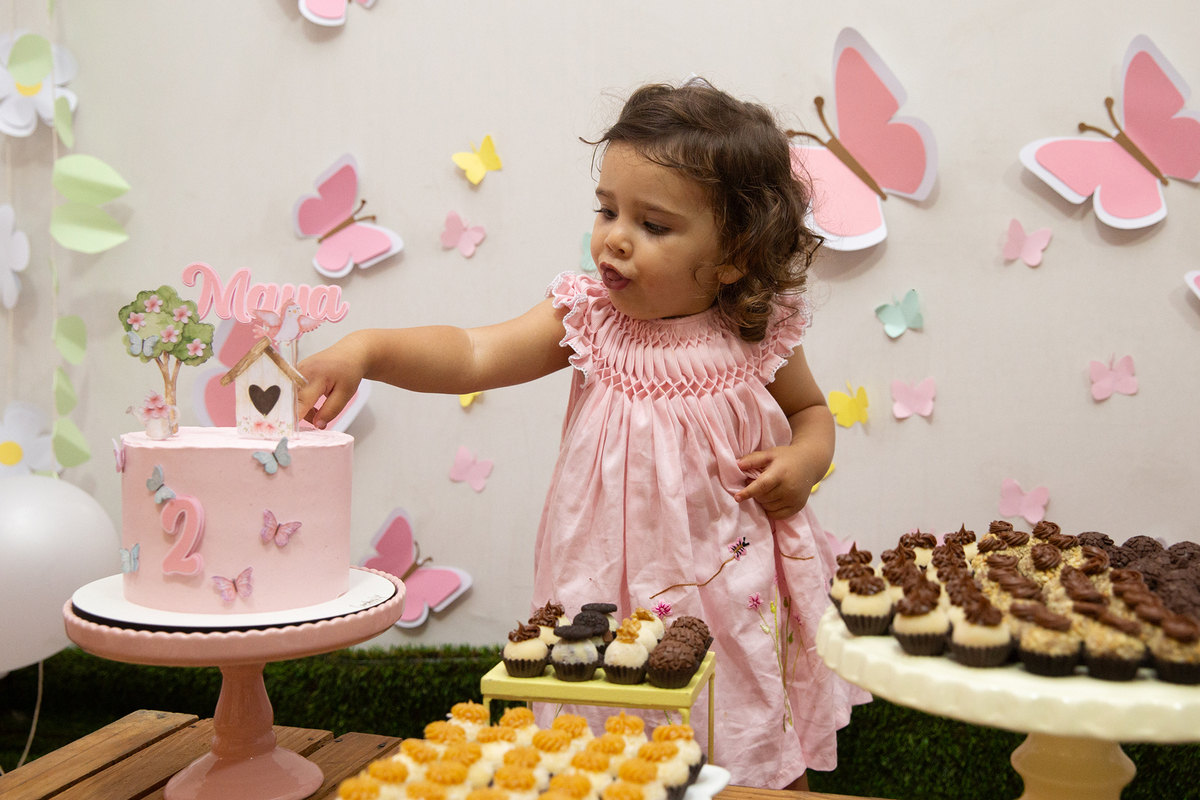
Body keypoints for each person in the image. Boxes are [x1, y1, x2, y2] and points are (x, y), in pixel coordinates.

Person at [297, 80, 866, 789]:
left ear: (734, 256)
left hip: (727, 584)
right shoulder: (588, 318)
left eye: (654, 225)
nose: (616, 237)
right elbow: (475, 353)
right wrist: (371, 350)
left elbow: (812, 412)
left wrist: (804, 461)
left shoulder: (756, 329)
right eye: (607, 210)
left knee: (744, 730)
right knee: (603, 741)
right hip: (601, 582)